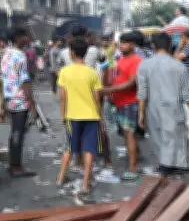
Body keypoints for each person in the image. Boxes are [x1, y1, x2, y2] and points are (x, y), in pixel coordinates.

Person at [137, 33, 189, 178]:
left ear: (153, 46)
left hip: (153, 110)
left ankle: (165, 167)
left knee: (159, 139)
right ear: (170, 46)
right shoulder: (179, 66)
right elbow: (187, 95)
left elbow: (142, 93)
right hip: (174, 109)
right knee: (176, 138)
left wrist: (141, 113)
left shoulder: (144, 65)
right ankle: (177, 167)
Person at [56, 37, 102, 202]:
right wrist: (99, 115)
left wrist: (62, 115)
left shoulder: (64, 72)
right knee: (89, 149)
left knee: (70, 147)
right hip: (91, 116)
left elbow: (63, 97)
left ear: (72, 52)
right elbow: (97, 98)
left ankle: (61, 177)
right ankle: (85, 183)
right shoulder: (93, 73)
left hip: (72, 115)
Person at [100, 32, 142, 180]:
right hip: (119, 102)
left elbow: (131, 83)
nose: (121, 46)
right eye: (121, 43)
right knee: (127, 133)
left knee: (129, 134)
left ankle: (132, 168)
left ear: (133, 45)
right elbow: (116, 78)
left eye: (125, 43)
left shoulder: (136, 61)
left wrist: (109, 90)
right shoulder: (121, 59)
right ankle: (136, 155)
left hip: (130, 102)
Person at [0, 27, 38, 177]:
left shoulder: (6, 54)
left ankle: (13, 164)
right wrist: (32, 103)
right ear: (17, 38)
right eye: (25, 36)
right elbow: (24, 81)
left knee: (14, 132)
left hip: (9, 98)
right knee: (18, 133)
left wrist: (3, 103)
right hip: (20, 99)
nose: (27, 38)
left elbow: (4, 79)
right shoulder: (20, 56)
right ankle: (16, 167)